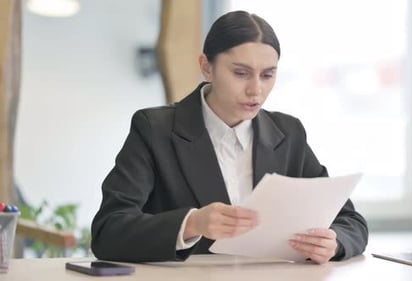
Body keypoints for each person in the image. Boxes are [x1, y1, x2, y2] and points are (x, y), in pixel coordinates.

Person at [91, 10, 368, 264]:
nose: (255, 90)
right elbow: (108, 232)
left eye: (268, 75)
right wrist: (192, 223)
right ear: (206, 67)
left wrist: (335, 243)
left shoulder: (288, 133)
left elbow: (350, 221)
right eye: (240, 73)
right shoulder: (154, 129)